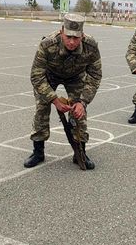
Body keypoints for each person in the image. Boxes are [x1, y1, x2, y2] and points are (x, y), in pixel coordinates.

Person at [24, 13, 102, 169]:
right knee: (41, 108)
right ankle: (38, 151)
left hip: (75, 77)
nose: (72, 42)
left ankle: (80, 152)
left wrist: (82, 101)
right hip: (49, 76)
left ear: (82, 35)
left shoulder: (91, 46)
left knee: (79, 112)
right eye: (68, 37)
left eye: (76, 38)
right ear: (61, 32)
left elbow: (95, 75)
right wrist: (54, 99)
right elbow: (36, 75)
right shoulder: (48, 44)